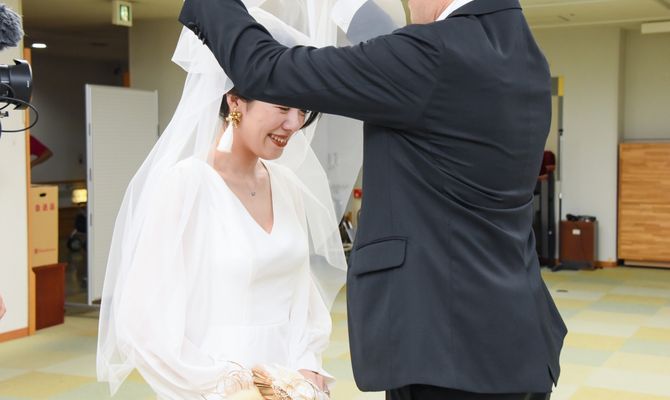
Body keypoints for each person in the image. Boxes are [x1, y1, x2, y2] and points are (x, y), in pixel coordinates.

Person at [178, 0, 568, 399]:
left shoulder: (432, 55)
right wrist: (347, 7)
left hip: (446, 351)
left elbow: (266, 69)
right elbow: (403, 60)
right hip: (521, 341)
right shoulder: (524, 55)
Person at [96, 6, 347, 399]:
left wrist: (306, 366)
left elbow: (303, 296)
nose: (295, 123)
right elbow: (142, 320)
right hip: (217, 387)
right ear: (235, 102)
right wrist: (230, 384)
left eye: (302, 110)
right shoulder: (186, 185)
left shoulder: (287, 186)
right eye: (283, 107)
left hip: (289, 385)